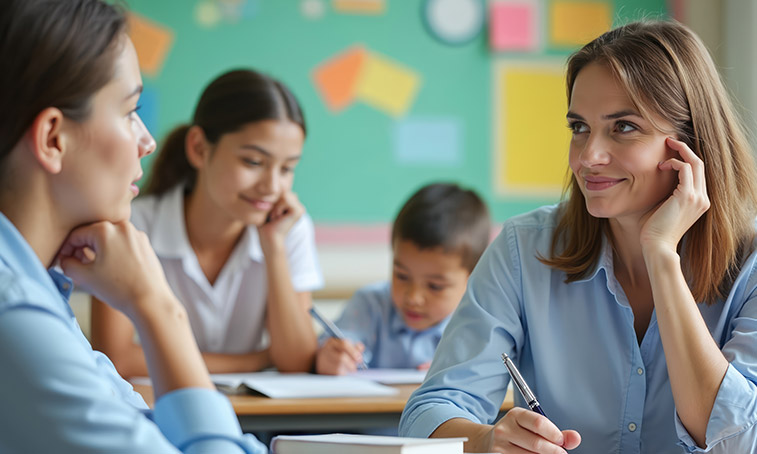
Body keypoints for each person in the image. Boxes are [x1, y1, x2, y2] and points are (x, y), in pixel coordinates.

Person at [399, 20, 757, 454]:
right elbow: (430, 410)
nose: (589, 157)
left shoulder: (750, 265)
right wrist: (487, 440)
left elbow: (738, 441)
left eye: (623, 127)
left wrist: (661, 255)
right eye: (579, 127)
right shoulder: (524, 249)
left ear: (689, 144)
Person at [0, 0, 269, 452]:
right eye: (129, 111)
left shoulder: (40, 290)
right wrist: (158, 308)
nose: (147, 141)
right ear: (53, 138)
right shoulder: (14, 314)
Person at [91, 68, 323, 377]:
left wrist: (274, 248)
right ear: (199, 148)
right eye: (253, 162)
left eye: (287, 168)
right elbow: (117, 358)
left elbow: (295, 363)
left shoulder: (287, 228)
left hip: (260, 423)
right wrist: (255, 361)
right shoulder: (131, 224)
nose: (272, 186)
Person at [316, 182, 491, 375]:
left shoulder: (479, 324)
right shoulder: (370, 305)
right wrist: (330, 357)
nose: (413, 297)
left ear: (473, 276)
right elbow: (336, 345)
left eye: (435, 286)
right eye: (401, 276)